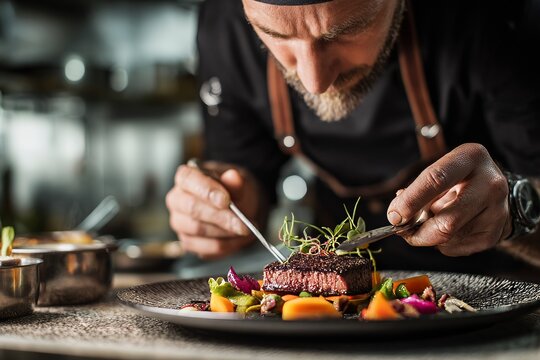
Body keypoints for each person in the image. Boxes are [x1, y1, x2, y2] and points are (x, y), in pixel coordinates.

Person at [166, 0, 540, 275]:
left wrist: (517, 210)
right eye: (276, 35)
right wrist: (227, 209)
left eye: (344, 32)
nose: (316, 82)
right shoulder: (223, 23)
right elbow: (242, 176)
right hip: (336, 312)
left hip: (502, 296)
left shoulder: (497, 18)